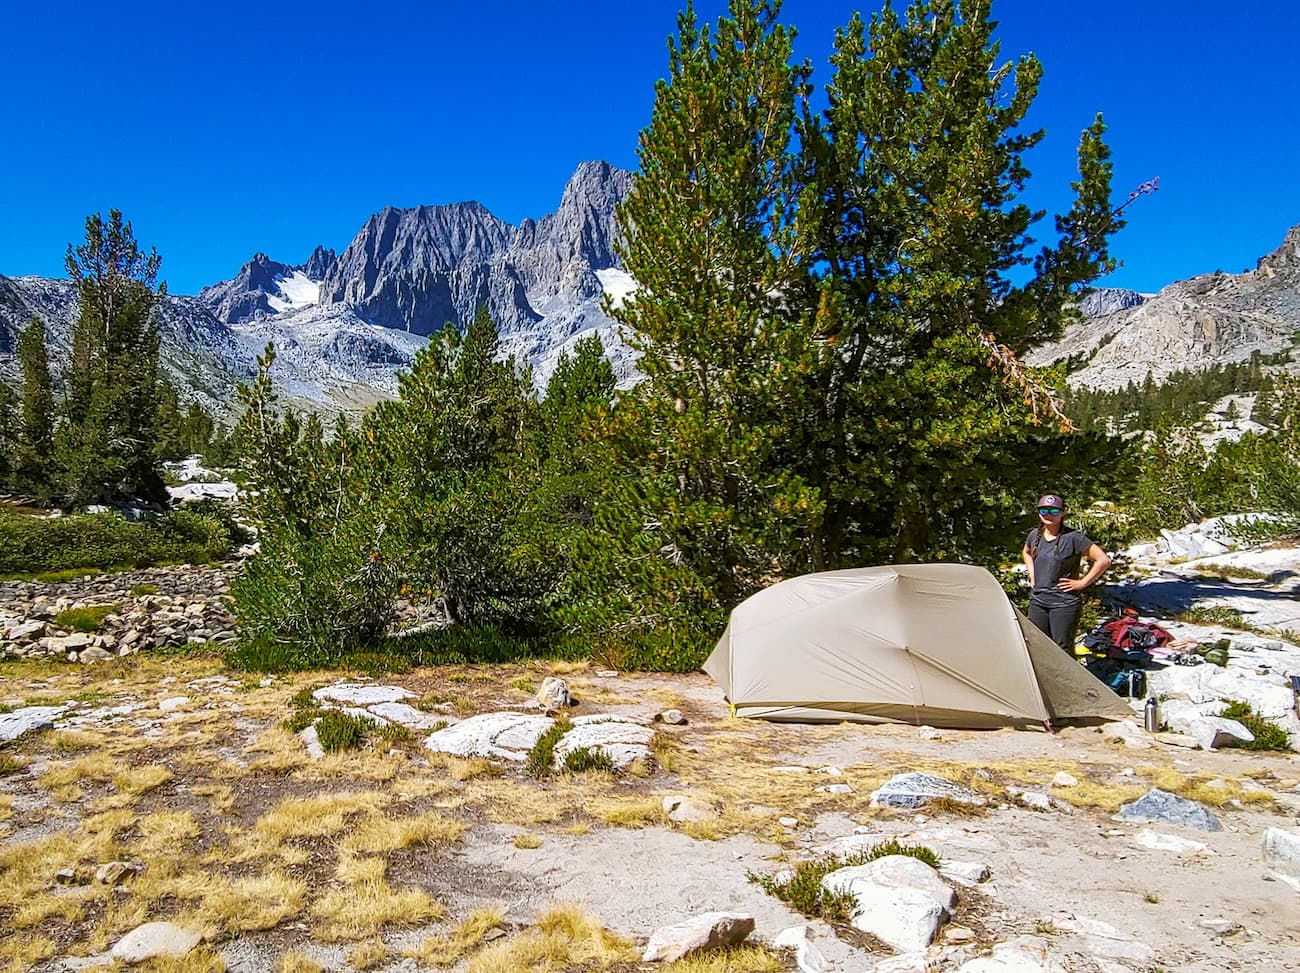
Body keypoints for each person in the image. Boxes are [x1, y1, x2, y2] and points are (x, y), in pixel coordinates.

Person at [1022, 493, 1112, 654]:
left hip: (1064, 603)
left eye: (1054, 511)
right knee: (1038, 646)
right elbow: (1027, 552)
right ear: (1039, 513)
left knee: (1062, 649)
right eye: (1044, 510)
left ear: (1062, 513)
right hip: (1038, 600)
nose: (1049, 515)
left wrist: (1082, 583)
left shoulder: (1073, 538)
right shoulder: (1034, 535)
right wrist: (1032, 575)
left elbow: (1103, 560)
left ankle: (1068, 680)